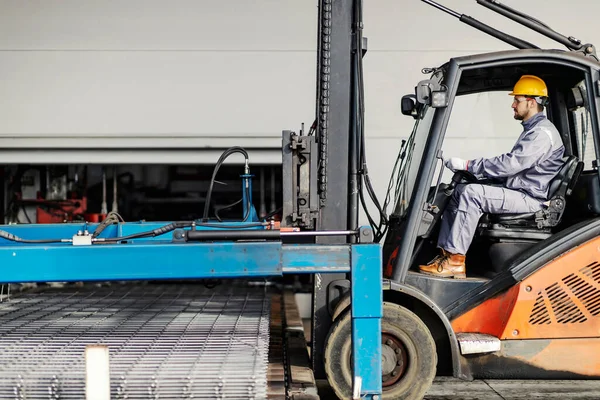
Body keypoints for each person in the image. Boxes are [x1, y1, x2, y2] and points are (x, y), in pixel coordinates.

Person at [419, 75, 565, 278]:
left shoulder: (541, 134)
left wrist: (470, 165)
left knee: (471, 193)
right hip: (519, 191)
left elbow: (511, 164)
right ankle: (446, 253)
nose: (513, 105)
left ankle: (455, 261)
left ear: (531, 102)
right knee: (459, 191)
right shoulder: (533, 130)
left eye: (517, 100)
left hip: (530, 199)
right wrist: (474, 172)